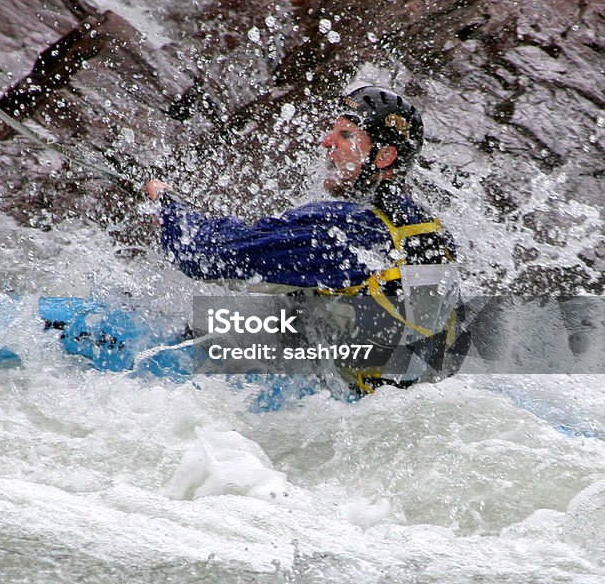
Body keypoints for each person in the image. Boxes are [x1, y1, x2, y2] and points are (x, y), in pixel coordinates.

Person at [144, 85, 465, 392]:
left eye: (346, 135)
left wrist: (170, 204)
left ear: (384, 157)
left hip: (356, 408)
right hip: (415, 397)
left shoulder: (345, 230)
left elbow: (199, 254)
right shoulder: (425, 226)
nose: (327, 142)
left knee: (213, 326)